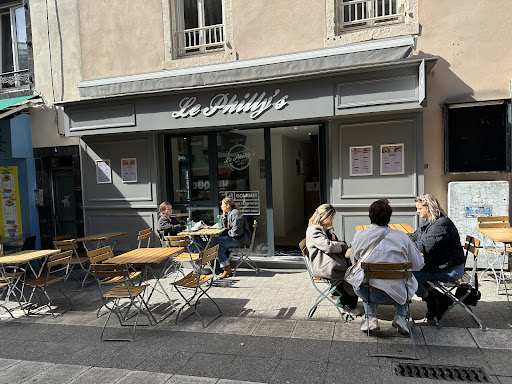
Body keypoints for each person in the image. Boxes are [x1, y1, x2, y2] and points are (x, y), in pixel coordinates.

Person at [349, 199, 424, 334]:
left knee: (361, 278)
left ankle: (371, 317)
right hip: (399, 294)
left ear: (370, 216)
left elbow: (353, 261)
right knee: (406, 281)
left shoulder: (360, 236)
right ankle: (400, 316)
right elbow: (418, 265)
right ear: (389, 217)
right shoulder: (402, 236)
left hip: (369, 293)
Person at [409, 193, 466, 321]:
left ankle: (433, 299)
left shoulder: (441, 224)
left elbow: (423, 247)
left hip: (451, 269)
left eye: (419, 208)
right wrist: (403, 241)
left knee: (409, 276)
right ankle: (438, 298)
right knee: (410, 272)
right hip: (439, 264)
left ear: (428, 207)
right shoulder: (431, 222)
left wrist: (406, 244)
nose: (417, 211)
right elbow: (414, 237)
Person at [305, 204, 357, 313]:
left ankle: (336, 293)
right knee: (352, 274)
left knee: (352, 269)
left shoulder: (319, 227)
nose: (332, 221)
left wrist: (334, 239)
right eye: (332, 218)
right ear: (325, 217)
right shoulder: (315, 230)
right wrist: (342, 245)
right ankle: (344, 305)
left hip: (326, 261)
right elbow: (328, 246)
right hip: (322, 266)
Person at [212, 197, 252, 279]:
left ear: (227, 205)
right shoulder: (230, 213)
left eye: (222, 205)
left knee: (215, 241)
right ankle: (227, 269)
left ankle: (209, 261)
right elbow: (224, 226)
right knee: (219, 247)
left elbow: (236, 232)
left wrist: (228, 233)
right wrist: (223, 215)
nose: (221, 207)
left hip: (240, 241)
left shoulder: (235, 214)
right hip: (236, 239)